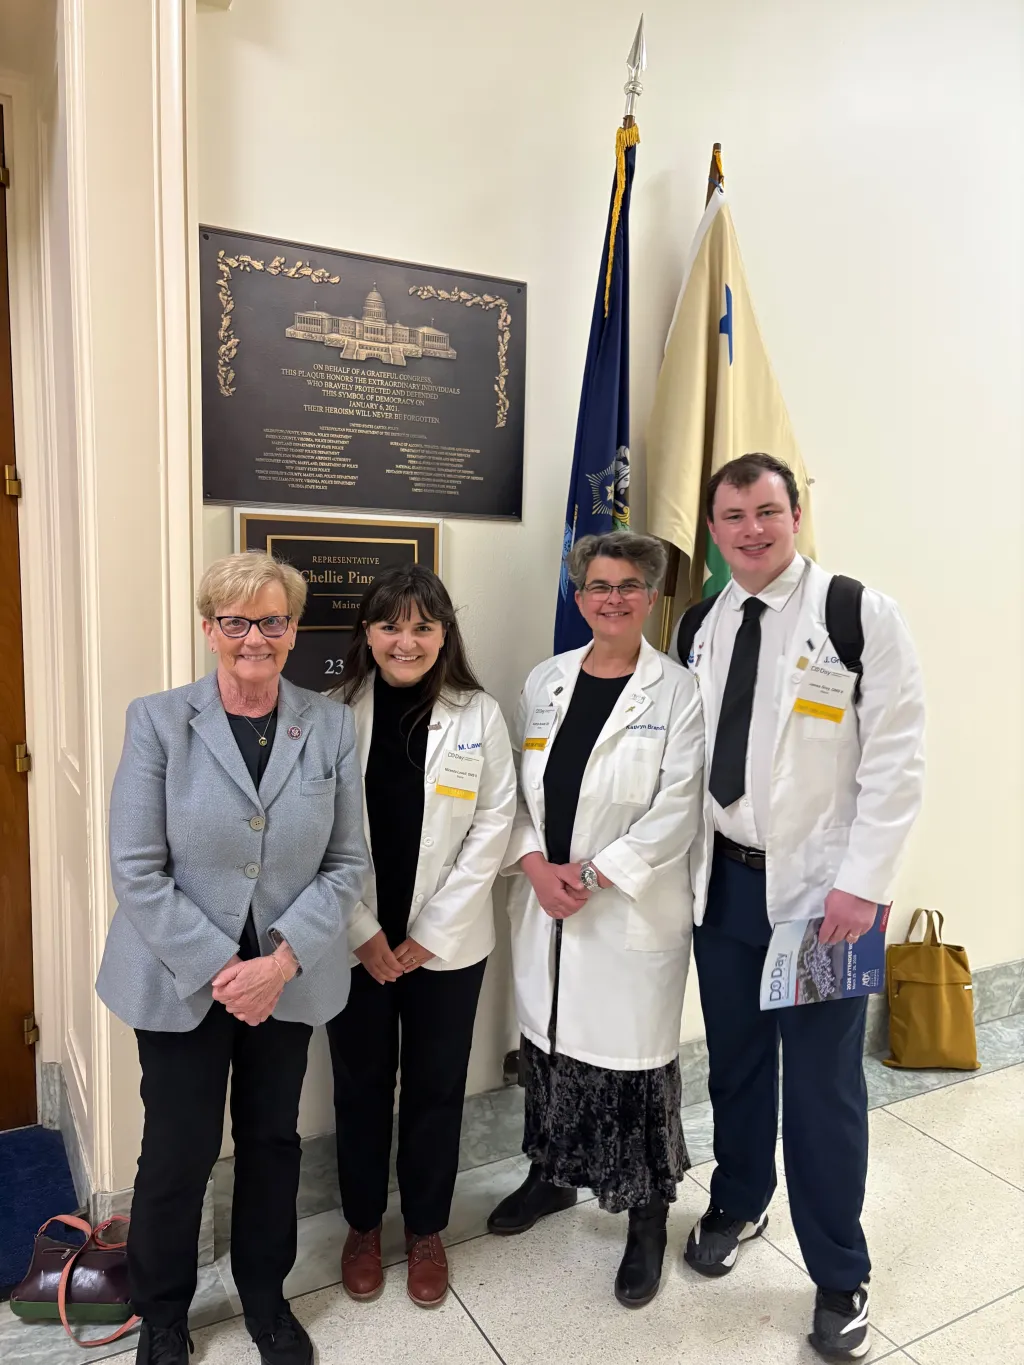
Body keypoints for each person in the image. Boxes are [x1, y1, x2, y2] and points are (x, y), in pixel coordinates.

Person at [672, 453, 925, 1361]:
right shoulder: (701, 620)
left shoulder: (856, 613)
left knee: (820, 1089)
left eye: (767, 511)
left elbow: (898, 760)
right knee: (736, 1062)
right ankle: (740, 1198)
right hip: (725, 888)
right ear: (712, 529)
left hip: (824, 902)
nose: (751, 529)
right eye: (733, 515)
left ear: (796, 512)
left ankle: (839, 1271)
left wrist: (862, 886)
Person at [96, 552, 369, 1365]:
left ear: (293, 629)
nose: (255, 636)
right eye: (236, 621)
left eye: (273, 620)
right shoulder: (158, 720)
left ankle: (264, 1298)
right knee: (177, 1150)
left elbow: (348, 863)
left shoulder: (326, 724)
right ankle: (165, 1315)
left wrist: (277, 962)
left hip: (285, 977)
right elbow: (137, 867)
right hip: (181, 977)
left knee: (272, 1141)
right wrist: (226, 968)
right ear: (209, 627)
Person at [487, 531, 705, 1309]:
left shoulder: (678, 692)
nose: (611, 597)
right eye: (597, 585)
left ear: (651, 597)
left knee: (631, 1069)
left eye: (627, 586)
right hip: (548, 906)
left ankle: (647, 1216)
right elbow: (512, 791)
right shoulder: (544, 682)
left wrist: (586, 874)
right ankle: (551, 1174)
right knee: (548, 1048)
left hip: (627, 913)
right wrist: (536, 867)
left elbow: (676, 810)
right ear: (578, 597)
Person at [327, 565, 516, 1308]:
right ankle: (365, 1225)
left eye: (423, 626)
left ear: (445, 634)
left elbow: (495, 823)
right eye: (390, 625)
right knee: (360, 1087)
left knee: (438, 1088)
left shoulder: (480, 714)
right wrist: (364, 931)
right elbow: (319, 835)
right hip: (356, 945)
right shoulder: (334, 714)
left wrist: (430, 934)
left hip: (448, 949)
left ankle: (428, 1228)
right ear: (367, 633)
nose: (406, 641)